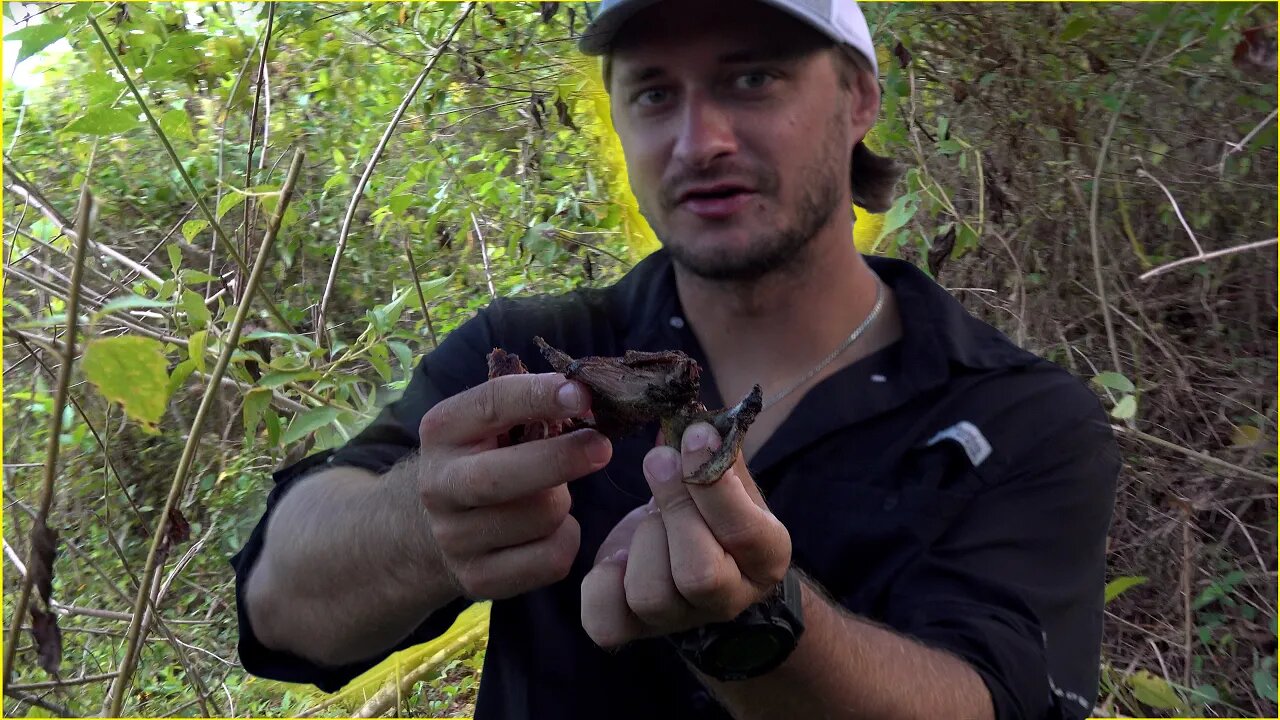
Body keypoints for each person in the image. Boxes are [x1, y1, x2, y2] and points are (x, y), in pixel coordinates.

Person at [231, 1, 1120, 718]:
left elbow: (1001, 696)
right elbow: (278, 605)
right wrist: (425, 521)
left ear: (858, 98)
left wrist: (765, 632)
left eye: (754, 77)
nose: (701, 142)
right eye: (655, 93)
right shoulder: (541, 357)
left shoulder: (1023, 420)